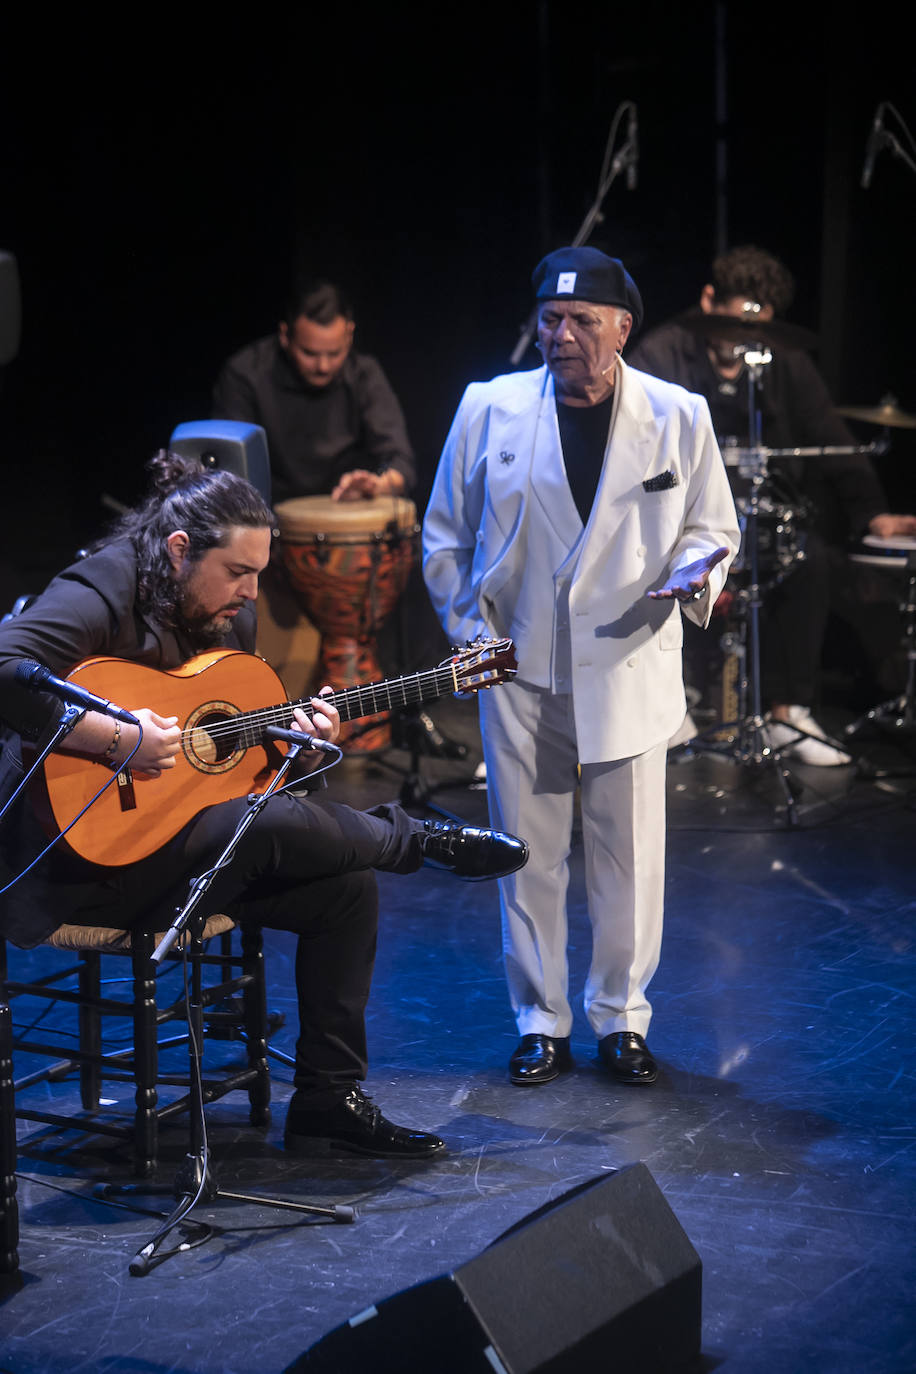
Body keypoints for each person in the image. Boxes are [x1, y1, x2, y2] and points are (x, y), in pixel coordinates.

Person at [0, 453, 527, 1158]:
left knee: (344, 887)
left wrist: (301, 753)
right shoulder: (106, 585)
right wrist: (117, 738)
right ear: (181, 551)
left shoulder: (228, 623)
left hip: (186, 858)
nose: (252, 594)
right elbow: (5, 672)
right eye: (239, 573)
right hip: (80, 860)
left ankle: (326, 1098)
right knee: (258, 829)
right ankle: (414, 839)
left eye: (259, 574)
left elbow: (246, 785)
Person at [423, 246, 739, 1087]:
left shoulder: (679, 416)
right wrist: (467, 638)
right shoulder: (488, 408)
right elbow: (444, 537)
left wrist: (698, 570)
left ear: (621, 329)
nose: (562, 337)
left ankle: (621, 1021)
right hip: (517, 670)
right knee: (524, 852)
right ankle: (541, 1021)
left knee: (629, 861)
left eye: (581, 323)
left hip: (630, 665)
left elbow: (714, 528)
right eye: (550, 321)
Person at [628, 244, 916, 764]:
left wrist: (872, 512)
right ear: (709, 300)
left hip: (754, 517)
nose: (745, 339)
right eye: (737, 322)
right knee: (660, 567)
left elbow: (831, 438)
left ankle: (787, 712)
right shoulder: (661, 353)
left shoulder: (785, 362)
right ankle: (671, 708)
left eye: (758, 327)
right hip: (678, 518)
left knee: (808, 560)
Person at [212, 279, 417, 504]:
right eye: (309, 353)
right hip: (267, 516)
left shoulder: (364, 374)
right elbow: (229, 470)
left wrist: (377, 486)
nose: (323, 366)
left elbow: (401, 461)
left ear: (349, 335)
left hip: (344, 514)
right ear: (285, 336)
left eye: (334, 353)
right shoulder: (246, 374)